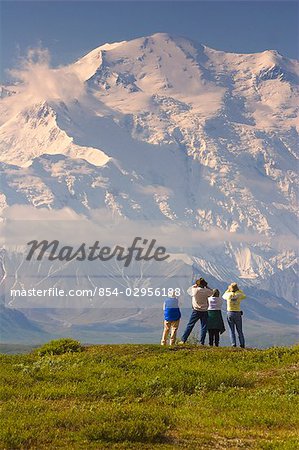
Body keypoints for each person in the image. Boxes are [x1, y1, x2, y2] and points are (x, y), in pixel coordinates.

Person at [179, 278, 213, 345]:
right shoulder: (206, 291)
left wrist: (194, 285)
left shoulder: (195, 290)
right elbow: (212, 292)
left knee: (190, 325)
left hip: (196, 310)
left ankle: (183, 340)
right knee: (204, 327)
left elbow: (188, 291)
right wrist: (207, 286)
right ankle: (201, 342)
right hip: (204, 310)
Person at [222, 282, 247, 348]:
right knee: (239, 330)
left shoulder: (228, 295)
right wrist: (238, 290)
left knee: (231, 330)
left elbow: (223, 296)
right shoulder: (239, 294)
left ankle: (233, 344)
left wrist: (228, 289)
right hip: (237, 313)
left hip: (230, 312)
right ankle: (242, 344)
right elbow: (244, 296)